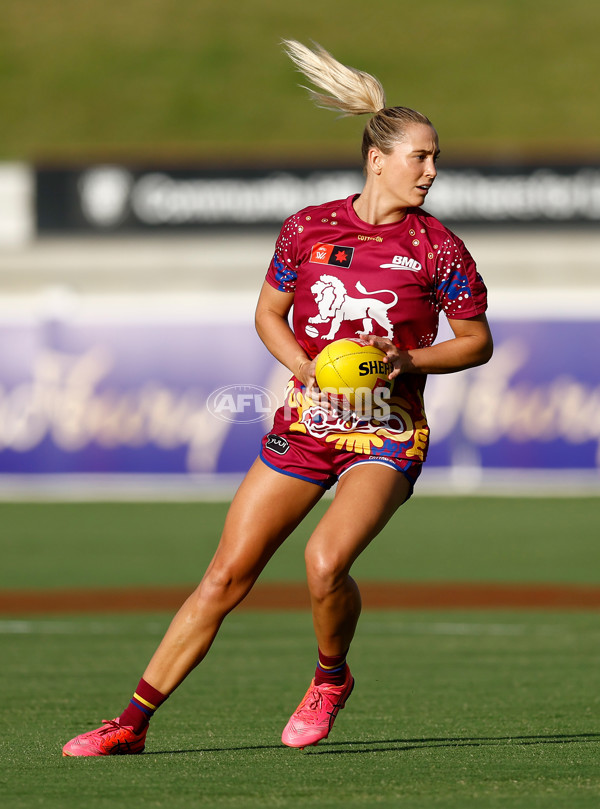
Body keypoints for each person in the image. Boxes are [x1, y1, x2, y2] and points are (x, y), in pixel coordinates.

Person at [62, 39, 493, 757]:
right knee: (224, 576)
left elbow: (475, 342)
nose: (432, 170)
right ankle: (130, 725)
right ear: (377, 159)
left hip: (387, 434)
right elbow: (268, 312)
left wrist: (405, 359)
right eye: (421, 156)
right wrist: (304, 365)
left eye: (435, 156)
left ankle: (329, 679)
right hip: (306, 425)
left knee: (325, 562)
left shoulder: (438, 246)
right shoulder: (308, 228)